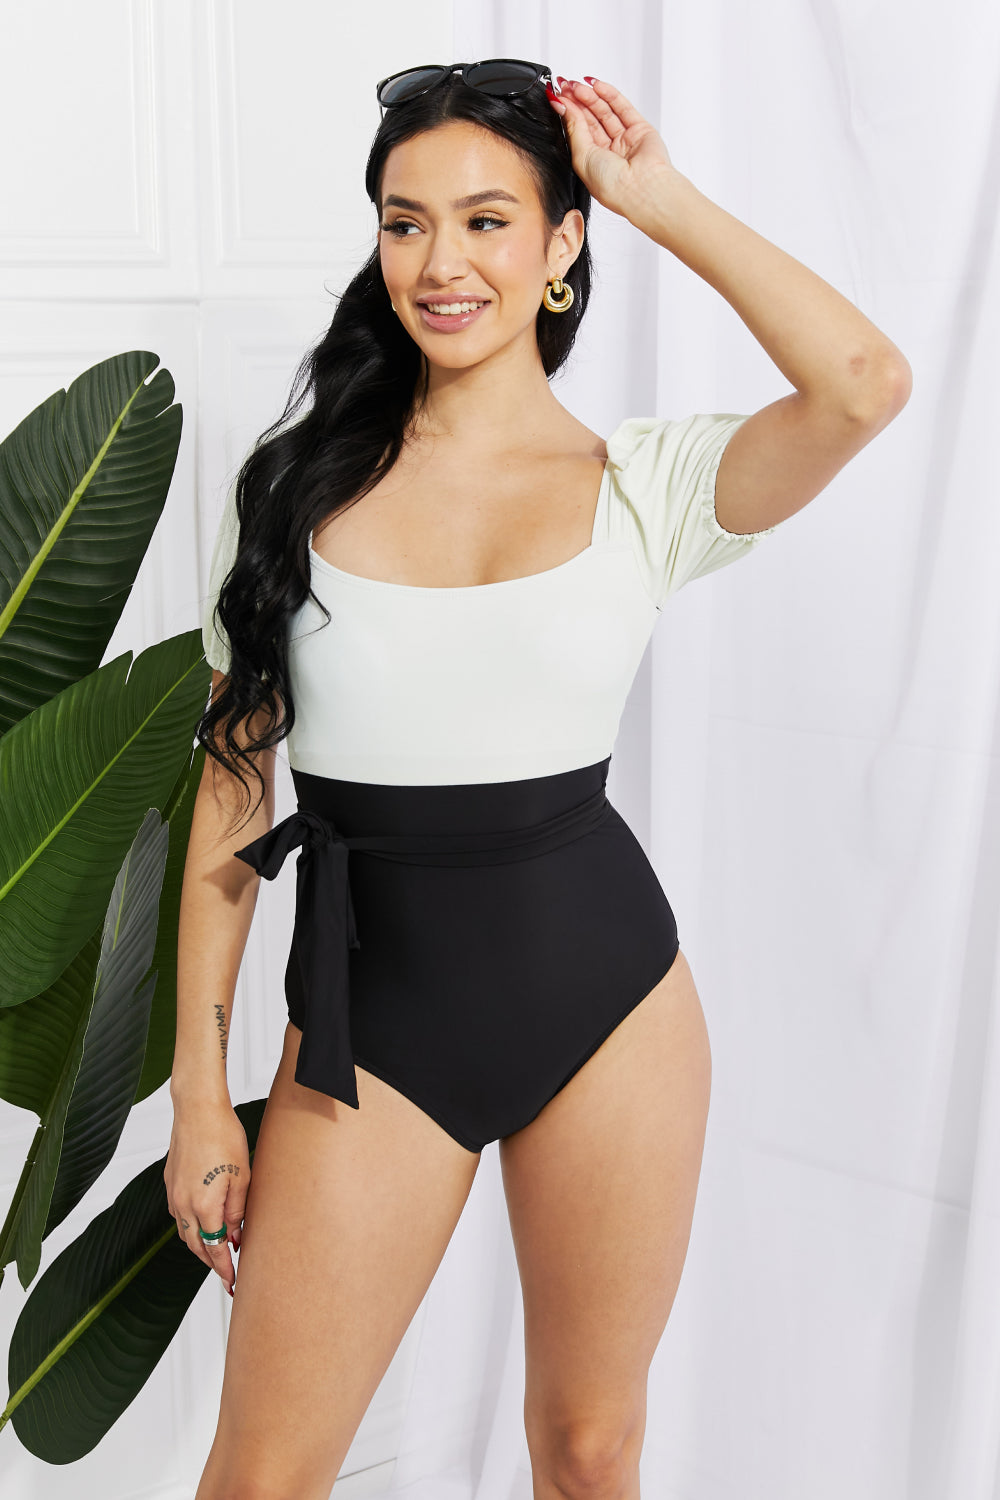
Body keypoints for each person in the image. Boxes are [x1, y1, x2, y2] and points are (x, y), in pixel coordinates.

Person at [165, 59, 910, 1500]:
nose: (441, 263)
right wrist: (203, 1094)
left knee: (588, 1447)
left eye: (488, 221)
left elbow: (864, 382)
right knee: (261, 1478)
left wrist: (657, 197)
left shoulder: (646, 486)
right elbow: (231, 801)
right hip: (373, 1029)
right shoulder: (292, 496)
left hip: (611, 1006)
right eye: (406, 222)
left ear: (564, 244)